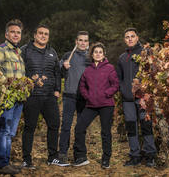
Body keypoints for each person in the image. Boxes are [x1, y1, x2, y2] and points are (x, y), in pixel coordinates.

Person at [21, 24, 62, 168]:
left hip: (49, 96)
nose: (43, 36)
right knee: (30, 127)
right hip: (31, 96)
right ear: (34, 35)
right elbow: (20, 70)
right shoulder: (25, 50)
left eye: (46, 34)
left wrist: (58, 89)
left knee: (54, 124)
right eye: (41, 33)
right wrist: (31, 79)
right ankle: (27, 160)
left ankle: (52, 157)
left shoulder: (52, 52)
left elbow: (57, 72)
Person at [73, 42, 119, 169]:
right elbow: (82, 86)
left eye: (100, 52)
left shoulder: (109, 68)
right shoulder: (88, 70)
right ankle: (81, 156)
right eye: (95, 52)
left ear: (104, 54)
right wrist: (87, 96)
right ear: (92, 55)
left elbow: (115, 84)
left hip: (106, 105)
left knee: (105, 132)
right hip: (91, 105)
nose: (98, 54)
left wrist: (106, 93)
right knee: (79, 128)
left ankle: (106, 159)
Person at [116, 28, 156, 167]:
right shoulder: (122, 57)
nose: (130, 39)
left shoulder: (146, 53)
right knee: (131, 127)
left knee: (146, 126)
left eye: (132, 36)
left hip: (143, 98)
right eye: (127, 37)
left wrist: (147, 93)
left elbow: (153, 73)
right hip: (127, 100)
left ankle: (150, 155)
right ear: (124, 40)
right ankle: (135, 156)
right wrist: (123, 90)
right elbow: (119, 78)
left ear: (137, 37)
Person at [0, 19, 25, 175]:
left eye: (18, 32)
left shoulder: (18, 53)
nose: (16, 34)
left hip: (19, 99)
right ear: (6, 34)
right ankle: (1, 164)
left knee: (11, 132)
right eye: (13, 31)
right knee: (4, 130)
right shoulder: (1, 49)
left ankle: (6, 161)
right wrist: (6, 83)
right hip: (7, 97)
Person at [58, 31, 90, 166]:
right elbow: (59, 72)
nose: (83, 43)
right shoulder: (67, 56)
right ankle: (62, 154)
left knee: (81, 127)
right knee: (66, 125)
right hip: (69, 95)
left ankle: (79, 155)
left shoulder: (91, 58)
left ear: (88, 43)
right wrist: (63, 67)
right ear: (76, 42)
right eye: (80, 40)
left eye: (85, 41)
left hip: (84, 97)